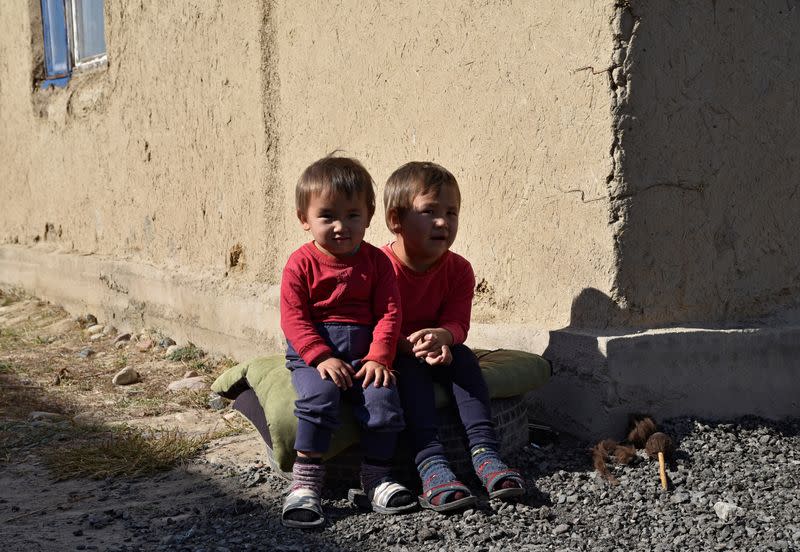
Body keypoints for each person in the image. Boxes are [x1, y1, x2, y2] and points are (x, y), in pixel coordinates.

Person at [280, 156, 415, 528]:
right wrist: (319, 356)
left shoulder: (377, 263)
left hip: (366, 353)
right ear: (304, 219)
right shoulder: (300, 264)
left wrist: (379, 358)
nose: (341, 227)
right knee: (319, 400)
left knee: (384, 401)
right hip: (315, 354)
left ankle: (376, 479)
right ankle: (305, 484)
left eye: (352, 215)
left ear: (369, 215)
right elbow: (294, 318)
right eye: (327, 216)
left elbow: (390, 314)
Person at [381, 161, 525, 513]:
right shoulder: (379, 268)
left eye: (451, 212)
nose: (443, 222)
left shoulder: (459, 269)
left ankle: (485, 452)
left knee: (465, 359)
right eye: (429, 211)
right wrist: (408, 344)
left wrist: (444, 337)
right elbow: (375, 323)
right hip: (396, 350)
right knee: (408, 372)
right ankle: (431, 463)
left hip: (441, 350)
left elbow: (459, 322)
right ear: (396, 220)